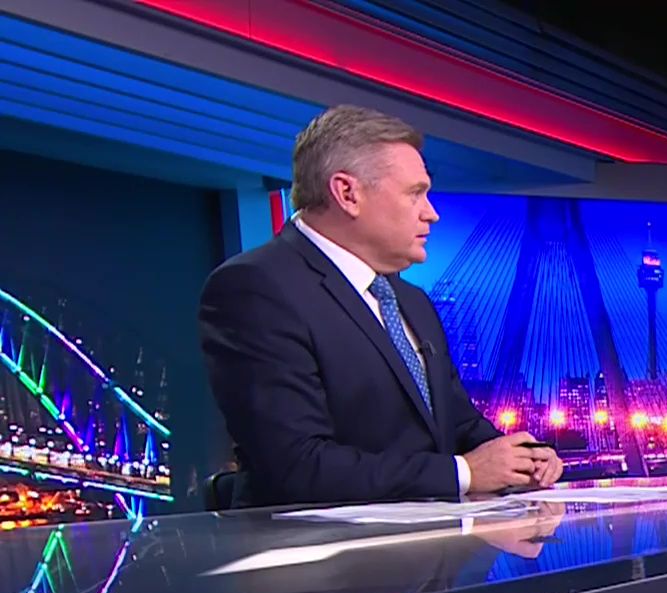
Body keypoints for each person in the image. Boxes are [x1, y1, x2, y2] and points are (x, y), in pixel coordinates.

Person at [199, 105, 562, 508]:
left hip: (430, 544)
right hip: (318, 547)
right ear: (347, 193)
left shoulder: (412, 301)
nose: (432, 213)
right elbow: (295, 465)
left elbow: (457, 424)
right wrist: (465, 473)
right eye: (415, 193)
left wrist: (522, 459)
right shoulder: (256, 287)